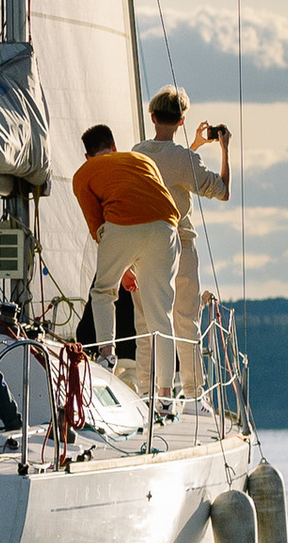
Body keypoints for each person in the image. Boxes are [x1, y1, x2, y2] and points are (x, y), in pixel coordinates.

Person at [134, 88, 229, 397]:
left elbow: (167, 166)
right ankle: (192, 393)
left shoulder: (137, 154)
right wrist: (224, 148)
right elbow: (222, 190)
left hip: (143, 248)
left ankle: (147, 392)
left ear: (152, 117)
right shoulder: (185, 159)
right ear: (182, 121)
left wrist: (195, 147)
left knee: (146, 323)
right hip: (180, 244)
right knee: (185, 320)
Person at [73, 123, 179, 396]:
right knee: (160, 315)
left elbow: (99, 229)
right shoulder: (142, 160)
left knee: (103, 291)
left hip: (121, 227)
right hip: (166, 226)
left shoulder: (83, 174)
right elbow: (150, 202)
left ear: (87, 156)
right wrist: (130, 265)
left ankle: (107, 355)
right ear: (114, 147)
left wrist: (121, 270)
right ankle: (166, 394)